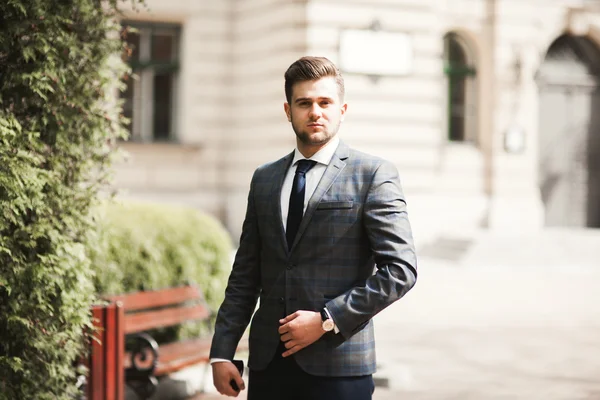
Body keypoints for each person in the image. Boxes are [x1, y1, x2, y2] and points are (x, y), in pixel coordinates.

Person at [209, 56, 417, 400]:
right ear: (288, 110)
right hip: (268, 366)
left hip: (338, 364)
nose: (315, 112)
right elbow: (246, 273)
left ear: (342, 109)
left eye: (325, 102)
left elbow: (401, 270)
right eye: (304, 103)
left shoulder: (373, 175)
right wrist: (222, 351)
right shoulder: (265, 179)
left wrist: (325, 320)